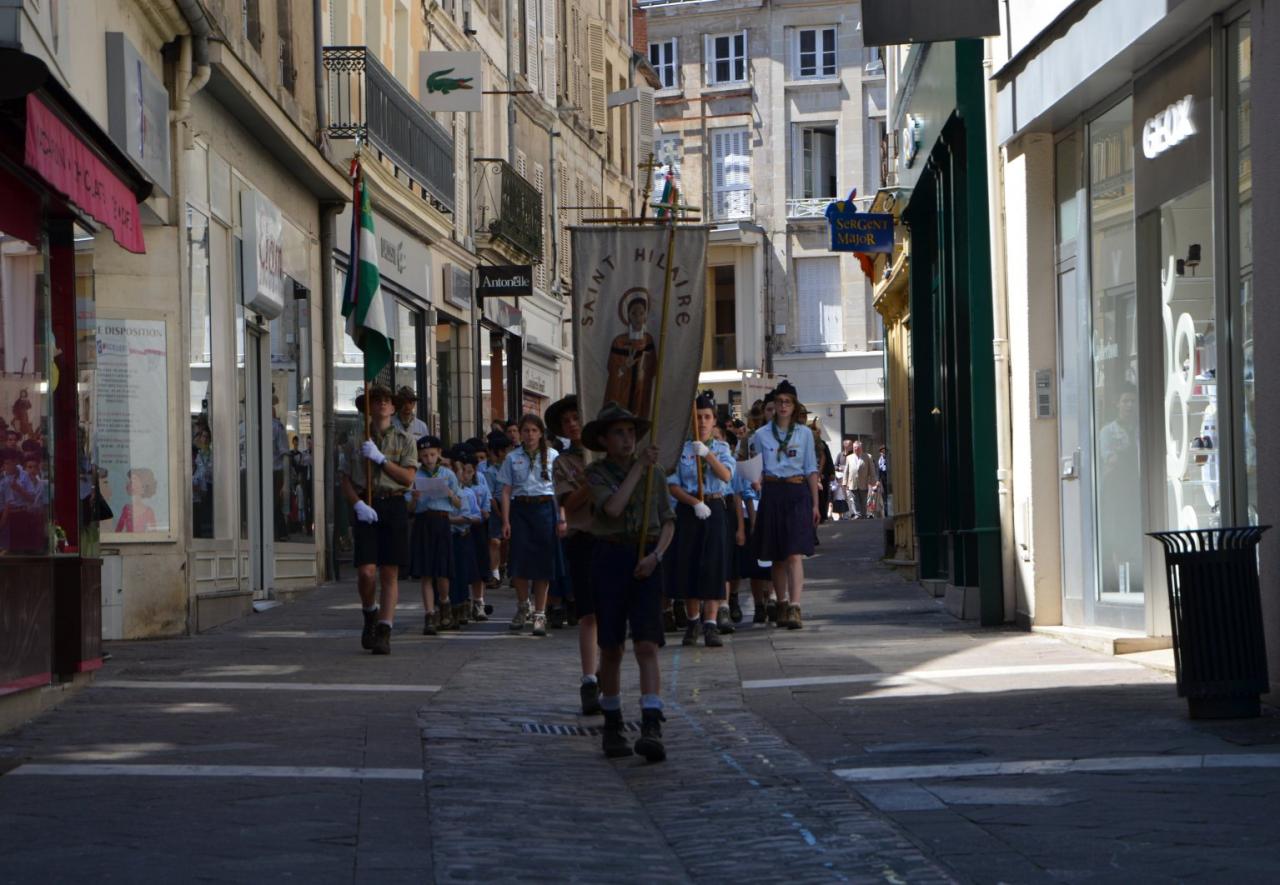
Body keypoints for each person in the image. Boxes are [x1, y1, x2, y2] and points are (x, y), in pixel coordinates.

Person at [582, 402, 675, 761]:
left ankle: (651, 722)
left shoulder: (656, 474)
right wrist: (638, 467)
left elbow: (667, 520)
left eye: (631, 432)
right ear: (604, 440)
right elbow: (613, 508)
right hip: (610, 557)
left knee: (647, 643)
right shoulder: (597, 473)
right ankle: (612, 721)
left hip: (647, 557)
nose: (627, 439)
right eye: (619, 433)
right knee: (611, 647)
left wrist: (657, 556)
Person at [341, 384, 418, 655]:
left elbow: (408, 478)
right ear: (369, 408)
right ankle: (369, 611)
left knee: (389, 572)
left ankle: (385, 629)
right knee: (366, 571)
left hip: (393, 503)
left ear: (393, 408)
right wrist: (357, 504)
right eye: (376, 401)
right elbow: (345, 479)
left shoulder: (405, 440)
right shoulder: (355, 441)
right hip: (367, 505)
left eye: (387, 400)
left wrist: (381, 459)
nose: (382, 404)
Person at [547, 395, 602, 715]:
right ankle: (589, 679)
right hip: (583, 538)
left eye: (576, 418)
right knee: (588, 614)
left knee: (613, 612)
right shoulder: (563, 463)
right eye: (566, 421)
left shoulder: (607, 454)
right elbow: (569, 502)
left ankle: (608, 674)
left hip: (614, 539)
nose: (572, 424)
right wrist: (594, 480)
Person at [668, 393, 735, 648]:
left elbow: (726, 475)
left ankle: (711, 623)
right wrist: (694, 503)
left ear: (714, 420)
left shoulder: (721, 448)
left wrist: (707, 455)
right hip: (690, 508)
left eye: (707, 417)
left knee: (713, 565)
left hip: (714, 505)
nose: (703, 422)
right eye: (698, 417)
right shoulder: (680, 449)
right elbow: (673, 485)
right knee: (690, 564)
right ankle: (693, 621)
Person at [750, 380, 818, 630]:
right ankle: (781, 603)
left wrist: (815, 504)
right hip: (772, 492)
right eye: (779, 402)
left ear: (794, 405)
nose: (782, 406)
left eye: (787, 402)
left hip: (796, 491)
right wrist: (755, 481)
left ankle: (795, 607)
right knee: (776, 554)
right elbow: (756, 468)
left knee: (794, 553)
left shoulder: (804, 434)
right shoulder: (761, 435)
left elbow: (811, 469)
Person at [499, 413, 561, 636]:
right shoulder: (512, 457)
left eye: (534, 430)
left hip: (545, 509)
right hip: (521, 510)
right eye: (526, 430)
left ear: (541, 433)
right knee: (519, 561)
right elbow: (506, 491)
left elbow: (559, 490)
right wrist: (506, 520)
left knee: (543, 562)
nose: (530, 435)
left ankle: (540, 613)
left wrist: (561, 518)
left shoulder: (553, 456)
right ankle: (523, 605)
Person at [407, 435, 461, 634]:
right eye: (424, 455)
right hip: (423, 523)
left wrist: (449, 494)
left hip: (442, 521)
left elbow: (459, 504)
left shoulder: (448, 474)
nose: (428, 459)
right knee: (426, 573)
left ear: (439, 454)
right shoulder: (415, 476)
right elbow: (410, 508)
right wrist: (414, 499)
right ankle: (429, 615)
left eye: (432, 454)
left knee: (442, 572)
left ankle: (445, 603)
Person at [603, 289, 658, 419]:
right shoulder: (619, 341)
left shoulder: (648, 340)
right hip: (621, 392)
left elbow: (654, 368)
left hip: (642, 393)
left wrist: (644, 368)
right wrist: (624, 366)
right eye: (634, 313)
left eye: (641, 313)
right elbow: (612, 370)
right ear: (628, 316)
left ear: (645, 316)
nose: (638, 317)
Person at [448, 448, 484, 627]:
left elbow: (477, 516)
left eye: (459, 470)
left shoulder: (468, 493)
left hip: (463, 535)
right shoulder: (441, 492)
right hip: (448, 536)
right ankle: (449, 608)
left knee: (463, 573)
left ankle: (463, 606)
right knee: (449, 574)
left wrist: (460, 519)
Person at [483, 431, 511, 589]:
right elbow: (490, 496)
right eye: (506, 450)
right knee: (495, 541)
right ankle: (495, 575)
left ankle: (506, 567)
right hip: (497, 507)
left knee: (509, 541)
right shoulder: (490, 472)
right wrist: (500, 513)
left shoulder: (513, 468)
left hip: (513, 506)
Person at [846, 439, 874, 519]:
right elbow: (846, 471)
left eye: (857, 448)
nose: (855, 449)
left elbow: (872, 470)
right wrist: (845, 482)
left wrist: (873, 481)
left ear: (861, 448)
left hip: (864, 482)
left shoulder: (868, 457)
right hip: (853, 482)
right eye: (854, 448)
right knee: (855, 499)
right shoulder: (849, 457)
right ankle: (858, 514)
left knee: (863, 500)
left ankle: (864, 514)